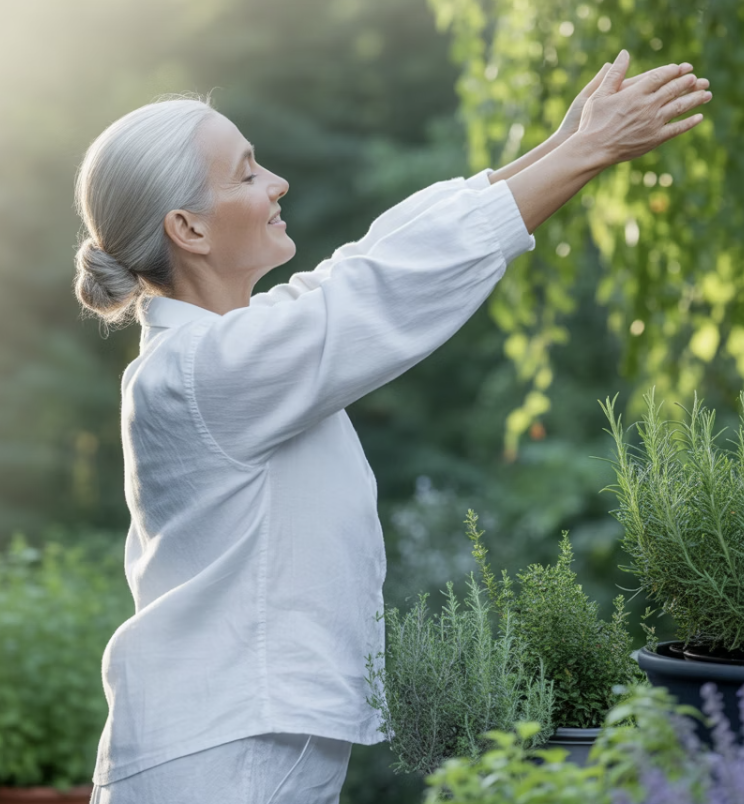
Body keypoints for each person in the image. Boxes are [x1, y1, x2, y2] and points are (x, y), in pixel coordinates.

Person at [75, 50, 710, 804]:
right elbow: (382, 289)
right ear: (188, 228)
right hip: (226, 751)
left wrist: (560, 147)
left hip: (239, 737)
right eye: (245, 175)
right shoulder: (207, 372)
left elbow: (368, 260)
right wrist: (587, 152)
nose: (276, 183)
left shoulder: (228, 351)